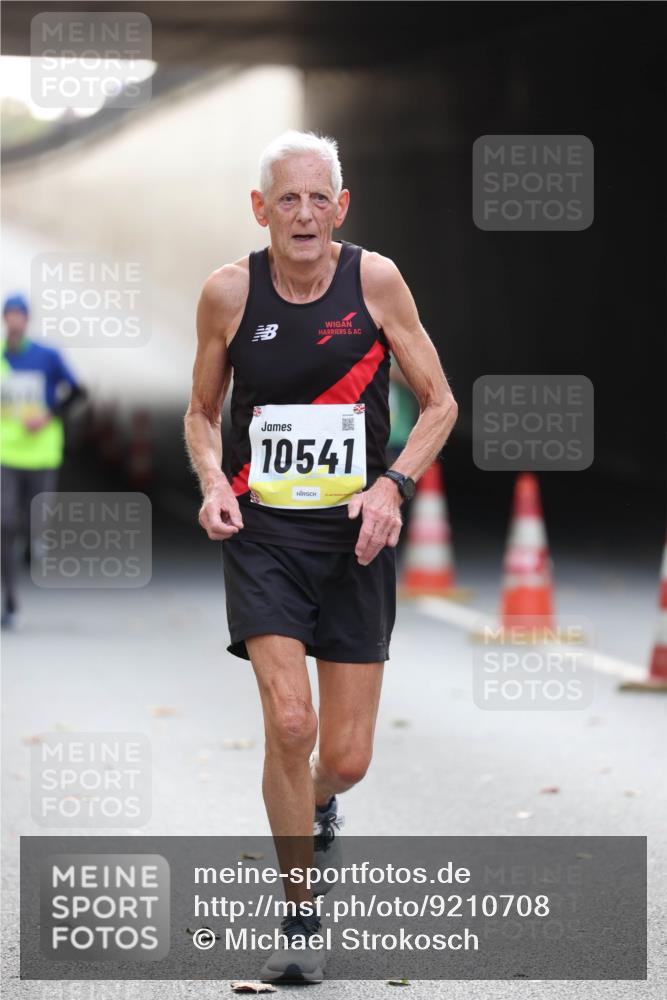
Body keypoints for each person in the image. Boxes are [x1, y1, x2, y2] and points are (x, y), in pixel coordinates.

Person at [184, 130, 458, 983]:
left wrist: (391, 486)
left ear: (341, 208)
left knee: (341, 757)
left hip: (358, 537)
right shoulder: (228, 293)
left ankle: (317, 808)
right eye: (286, 199)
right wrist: (212, 483)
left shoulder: (373, 281)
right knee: (289, 723)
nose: (303, 214)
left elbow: (441, 403)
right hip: (265, 534)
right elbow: (201, 413)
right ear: (259, 209)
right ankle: (299, 919)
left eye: (318, 199)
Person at [1, 294, 85, 628]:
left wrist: (48, 416)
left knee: (36, 519)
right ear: (6, 319)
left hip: (42, 454)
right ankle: (10, 600)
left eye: (21, 315)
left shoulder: (47, 357)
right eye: (10, 315)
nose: (15, 321)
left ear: (27, 319)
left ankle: (30, 539)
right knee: (4, 523)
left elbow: (78, 392)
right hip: (6, 454)